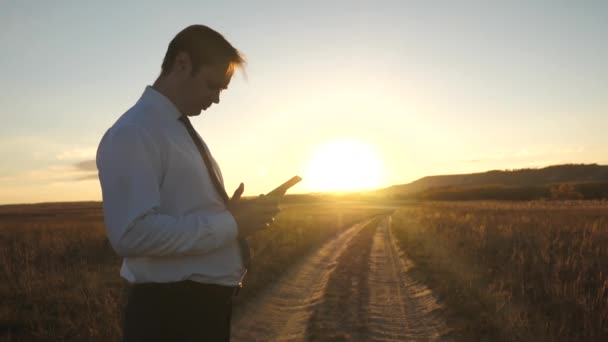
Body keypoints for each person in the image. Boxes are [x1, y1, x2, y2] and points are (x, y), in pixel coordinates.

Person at [96, 24, 279, 341]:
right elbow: (132, 234)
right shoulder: (134, 132)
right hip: (171, 317)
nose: (216, 99)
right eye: (212, 85)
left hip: (198, 313)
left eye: (222, 90)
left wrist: (227, 211)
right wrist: (232, 224)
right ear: (182, 63)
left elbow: (181, 207)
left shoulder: (175, 129)